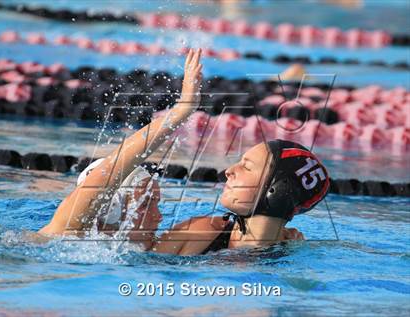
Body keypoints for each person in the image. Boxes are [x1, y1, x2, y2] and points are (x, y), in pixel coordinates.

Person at [38, 49, 329, 255]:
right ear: (108, 211)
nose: (229, 170)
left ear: (275, 191)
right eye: (146, 203)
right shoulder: (68, 236)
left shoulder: (290, 250)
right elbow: (106, 176)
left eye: (247, 166)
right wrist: (182, 110)